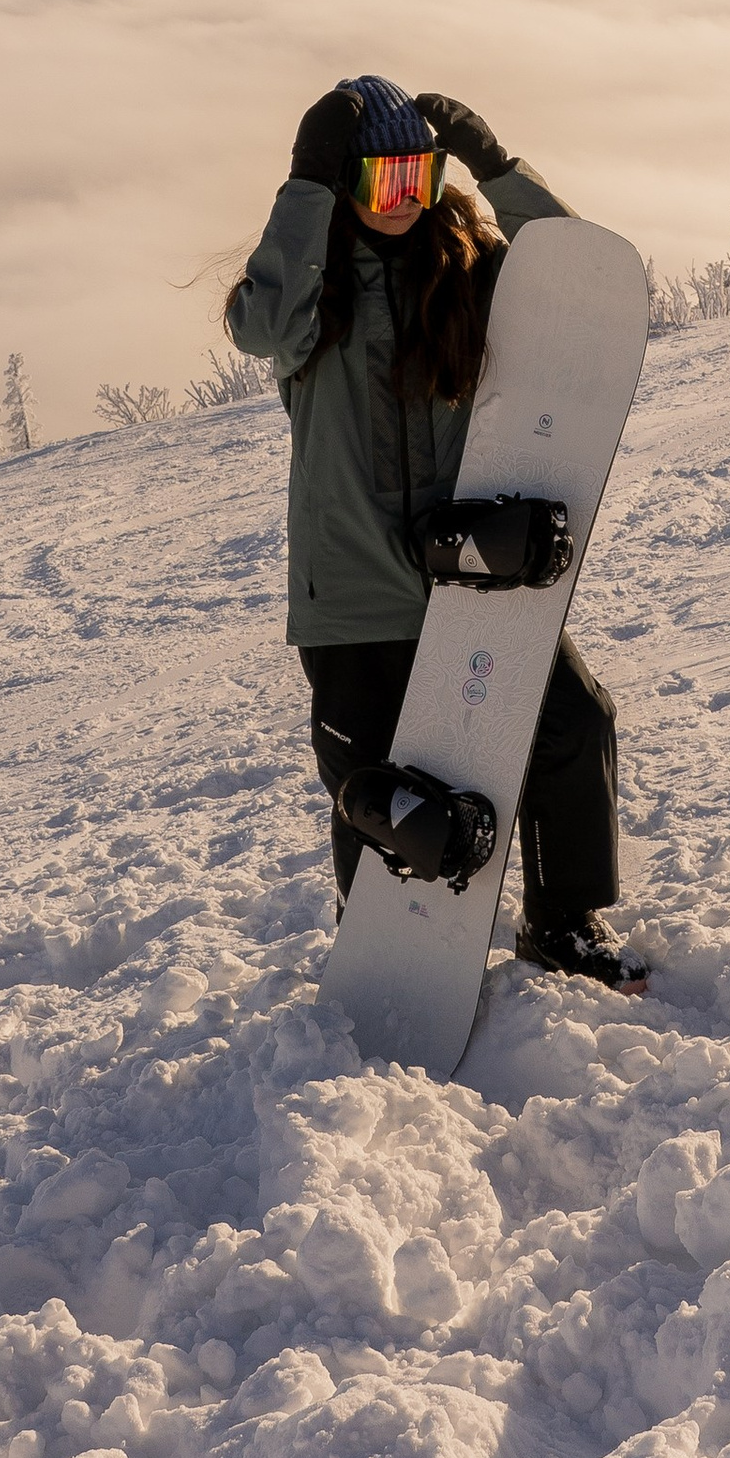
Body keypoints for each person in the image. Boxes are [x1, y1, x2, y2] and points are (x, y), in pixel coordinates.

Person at [227, 75, 646, 992]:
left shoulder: (468, 270)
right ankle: (382, 946)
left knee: (576, 723)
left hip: (471, 575)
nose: (404, 201)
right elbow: (256, 329)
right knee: (387, 797)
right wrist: (303, 185)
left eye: (420, 177)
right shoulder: (312, 294)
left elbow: (582, 280)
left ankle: (563, 917)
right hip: (356, 594)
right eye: (381, 183)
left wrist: (498, 166)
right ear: (343, 185)